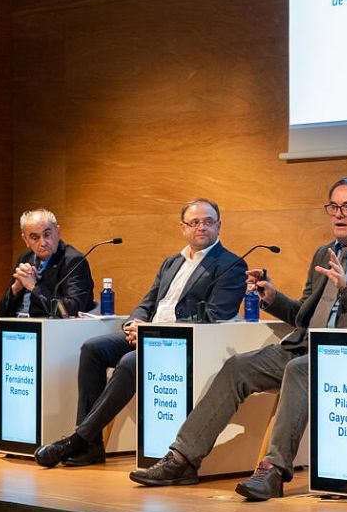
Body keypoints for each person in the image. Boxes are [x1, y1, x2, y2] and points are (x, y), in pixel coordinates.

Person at [128, 176, 347, 500]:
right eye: (333, 206)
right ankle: (182, 460)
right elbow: (304, 315)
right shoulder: (323, 253)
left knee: (300, 370)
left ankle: (273, 471)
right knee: (237, 366)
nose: (338, 214)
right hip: (304, 344)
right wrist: (273, 298)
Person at [33, 198, 247, 467]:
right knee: (93, 349)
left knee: (131, 362)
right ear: (183, 228)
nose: (201, 227)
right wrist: (134, 324)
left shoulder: (230, 265)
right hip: (148, 336)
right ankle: (92, 446)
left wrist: (150, 332)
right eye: (194, 222)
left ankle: (79, 439)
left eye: (208, 222)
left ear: (219, 226)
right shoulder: (172, 262)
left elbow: (213, 316)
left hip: (183, 344)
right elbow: (147, 303)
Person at [0, 209, 96, 451]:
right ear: (25, 239)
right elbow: (3, 312)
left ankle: (13, 432)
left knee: (15, 350)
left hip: (45, 338)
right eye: (34, 237)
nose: (42, 242)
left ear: (58, 231)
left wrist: (34, 287)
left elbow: (69, 309)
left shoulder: (73, 261)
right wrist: (15, 288)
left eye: (47, 234)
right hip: (12, 333)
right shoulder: (26, 258)